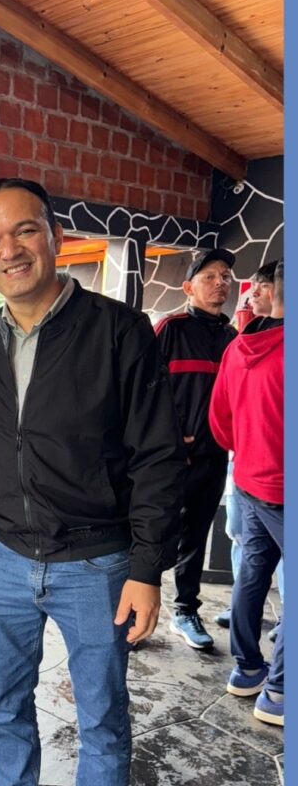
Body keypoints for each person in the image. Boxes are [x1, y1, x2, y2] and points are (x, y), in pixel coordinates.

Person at [0, 178, 184, 786]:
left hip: (96, 563)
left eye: (22, 231)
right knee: (6, 704)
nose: (9, 250)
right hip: (2, 558)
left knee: (100, 713)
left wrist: (147, 569)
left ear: (55, 237)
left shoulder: (118, 332)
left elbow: (158, 457)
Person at [209, 260, 284, 727]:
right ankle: (279, 691)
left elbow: (221, 421)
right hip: (276, 485)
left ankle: (247, 668)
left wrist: (250, 452)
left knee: (253, 573)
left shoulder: (240, 346)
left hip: (250, 480)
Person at [154, 249, 237, 651]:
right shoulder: (170, 328)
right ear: (188, 287)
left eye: (225, 276)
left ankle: (185, 609)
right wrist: (169, 438)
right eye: (209, 276)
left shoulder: (234, 338)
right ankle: (137, 612)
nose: (220, 282)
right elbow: (143, 391)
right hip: (169, 458)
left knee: (196, 534)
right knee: (154, 532)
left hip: (214, 456)